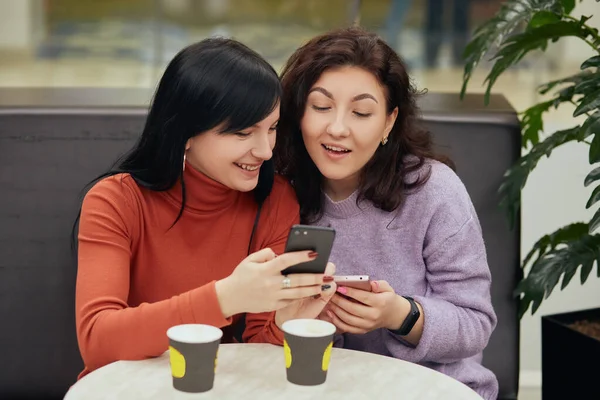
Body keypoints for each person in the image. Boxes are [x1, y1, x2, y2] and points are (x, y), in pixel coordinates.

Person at [73, 37, 336, 379]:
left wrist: (286, 319)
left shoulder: (274, 198)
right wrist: (225, 297)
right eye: (243, 133)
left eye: (271, 129)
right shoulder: (116, 200)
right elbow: (98, 340)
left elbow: (259, 341)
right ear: (187, 134)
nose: (265, 151)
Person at [274, 27, 498, 399]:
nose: (337, 128)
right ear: (298, 112)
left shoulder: (433, 192)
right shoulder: (279, 192)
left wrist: (400, 315)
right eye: (321, 106)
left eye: (361, 112)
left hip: (435, 390)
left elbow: (475, 323)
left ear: (389, 122)